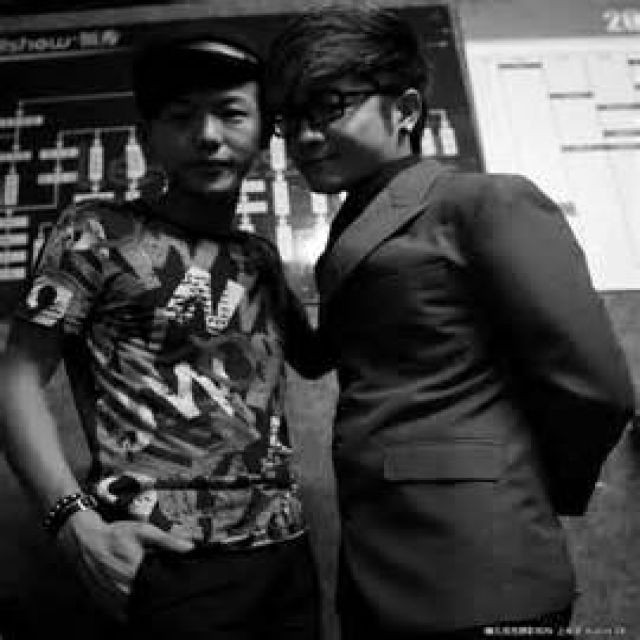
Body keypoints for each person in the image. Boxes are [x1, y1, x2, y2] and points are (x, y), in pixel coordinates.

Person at [266, 7, 636, 640]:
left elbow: (595, 386)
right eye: (289, 120)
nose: (303, 137)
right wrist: (258, 267)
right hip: (378, 555)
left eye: (328, 107)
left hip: (478, 554)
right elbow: (321, 355)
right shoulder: (350, 230)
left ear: (406, 109)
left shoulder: (484, 202)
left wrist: (529, 484)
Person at [0, 34, 319, 640]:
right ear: (146, 138)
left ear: (265, 131)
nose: (207, 135)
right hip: (163, 555)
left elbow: (322, 354)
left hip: (286, 553)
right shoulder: (96, 232)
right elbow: (15, 378)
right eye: (180, 117)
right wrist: (71, 521)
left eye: (231, 113)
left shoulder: (260, 257)